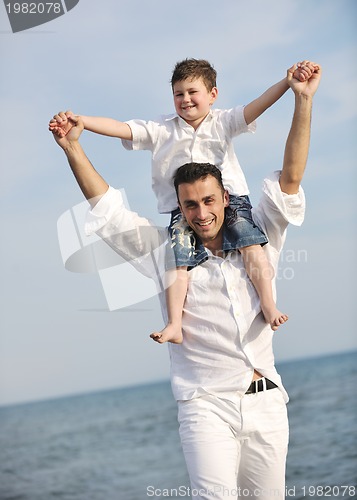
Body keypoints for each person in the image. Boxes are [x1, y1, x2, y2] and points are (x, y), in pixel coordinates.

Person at [50, 61, 321, 499]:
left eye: (209, 201)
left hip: (268, 400)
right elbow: (108, 211)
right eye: (189, 205)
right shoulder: (166, 252)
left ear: (226, 198)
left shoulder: (259, 236)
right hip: (205, 406)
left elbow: (291, 177)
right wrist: (73, 149)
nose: (201, 213)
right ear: (178, 207)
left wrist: (302, 101)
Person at [49, 59, 313, 344]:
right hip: (179, 212)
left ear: (213, 95)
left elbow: (258, 104)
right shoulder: (161, 129)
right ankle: (174, 323)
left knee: (251, 247)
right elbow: (121, 128)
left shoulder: (223, 121)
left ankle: (268, 304)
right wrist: (83, 123)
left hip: (233, 203)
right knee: (177, 264)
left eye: (192, 92)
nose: (185, 100)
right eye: (178, 94)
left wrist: (289, 85)